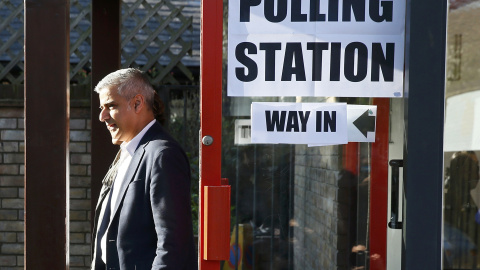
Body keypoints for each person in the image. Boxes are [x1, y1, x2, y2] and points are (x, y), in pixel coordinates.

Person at [90, 68, 197, 270]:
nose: (102, 116)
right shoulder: (129, 151)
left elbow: (172, 243)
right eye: (101, 108)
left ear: (138, 103)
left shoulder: (162, 154)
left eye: (111, 106)